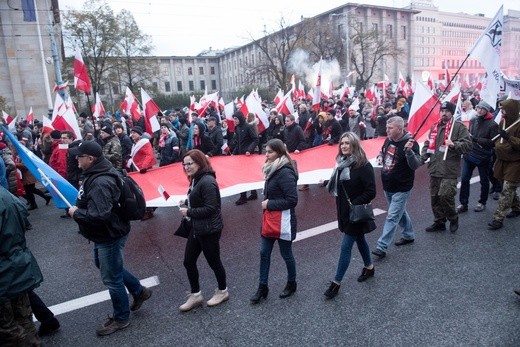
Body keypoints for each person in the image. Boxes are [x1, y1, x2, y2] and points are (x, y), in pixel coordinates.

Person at [67, 141, 152, 336]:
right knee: (105, 265)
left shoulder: (100, 182)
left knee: (112, 278)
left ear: (91, 159)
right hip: (108, 232)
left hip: (110, 234)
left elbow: (99, 216)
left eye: (79, 156)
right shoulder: (97, 172)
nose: (75, 158)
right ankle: (139, 291)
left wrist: (76, 213)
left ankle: (121, 318)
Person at [323, 132, 377, 299]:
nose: (344, 146)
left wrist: (355, 202)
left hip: (355, 211)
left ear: (354, 145)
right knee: (360, 240)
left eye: (347, 143)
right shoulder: (341, 164)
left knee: (346, 246)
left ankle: (336, 282)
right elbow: (341, 185)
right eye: (342, 143)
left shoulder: (363, 165)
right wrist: (327, 182)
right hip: (344, 211)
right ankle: (369, 267)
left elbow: (371, 191)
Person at [178, 149, 228, 311]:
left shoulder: (207, 181)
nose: (187, 167)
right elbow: (200, 198)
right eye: (184, 164)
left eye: (190, 163)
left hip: (209, 229)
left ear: (199, 162)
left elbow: (212, 208)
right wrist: (187, 201)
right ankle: (196, 295)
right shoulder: (196, 179)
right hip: (197, 227)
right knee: (188, 261)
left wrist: (189, 211)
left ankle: (222, 291)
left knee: (214, 262)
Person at [250, 139, 299, 304]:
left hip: (283, 220)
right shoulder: (272, 169)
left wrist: (269, 203)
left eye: (270, 152)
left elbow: (292, 200)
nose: (266, 155)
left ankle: (292, 283)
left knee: (286, 254)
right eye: (266, 151)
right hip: (270, 219)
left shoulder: (284, 171)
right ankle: (262, 287)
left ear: (279, 152)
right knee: (264, 253)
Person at [372, 116, 422, 258]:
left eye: (390, 128)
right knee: (400, 212)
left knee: (392, 216)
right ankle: (408, 234)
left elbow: (415, 165)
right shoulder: (388, 140)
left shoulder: (411, 143)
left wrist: (409, 152)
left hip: (402, 186)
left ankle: (381, 246)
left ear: (400, 129)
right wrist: (380, 156)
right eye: (387, 127)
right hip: (388, 185)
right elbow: (383, 151)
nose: (387, 130)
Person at [0, 185, 43, 346]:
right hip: (18, 263)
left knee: (7, 329)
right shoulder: (6, 194)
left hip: (4, 271)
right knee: (24, 318)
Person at [421, 101, 472, 233]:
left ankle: (453, 217)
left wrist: (454, 144)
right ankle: (439, 221)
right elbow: (427, 144)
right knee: (435, 197)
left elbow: (468, 146)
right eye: (442, 111)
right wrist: (422, 157)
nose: (443, 113)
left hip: (449, 168)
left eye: (447, 111)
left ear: (451, 112)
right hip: (434, 167)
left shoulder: (459, 127)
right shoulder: (435, 127)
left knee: (445, 196)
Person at [456, 100, 499, 213]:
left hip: (483, 157)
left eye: (482, 108)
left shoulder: (493, 124)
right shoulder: (473, 120)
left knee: (484, 181)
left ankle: (482, 202)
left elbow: (493, 143)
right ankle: (463, 203)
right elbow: (469, 136)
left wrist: (477, 140)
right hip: (469, 154)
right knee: (464, 179)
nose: (479, 110)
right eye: (478, 108)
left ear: (487, 110)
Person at [488, 99, 520, 230]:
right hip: (502, 160)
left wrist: (508, 138)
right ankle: (517, 207)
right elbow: (498, 140)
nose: (502, 112)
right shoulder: (503, 122)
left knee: (507, 189)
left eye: (504, 110)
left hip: (515, 162)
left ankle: (498, 218)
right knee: (504, 185)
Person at [232, 111, 259, 205]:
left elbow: (255, 139)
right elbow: (238, 142)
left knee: (245, 176)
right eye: (233, 119)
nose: (234, 121)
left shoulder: (248, 127)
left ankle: (243, 197)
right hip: (240, 156)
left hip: (248, 156)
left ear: (240, 118)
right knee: (244, 175)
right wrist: (234, 153)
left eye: (235, 119)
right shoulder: (238, 128)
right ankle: (253, 193)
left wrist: (249, 150)